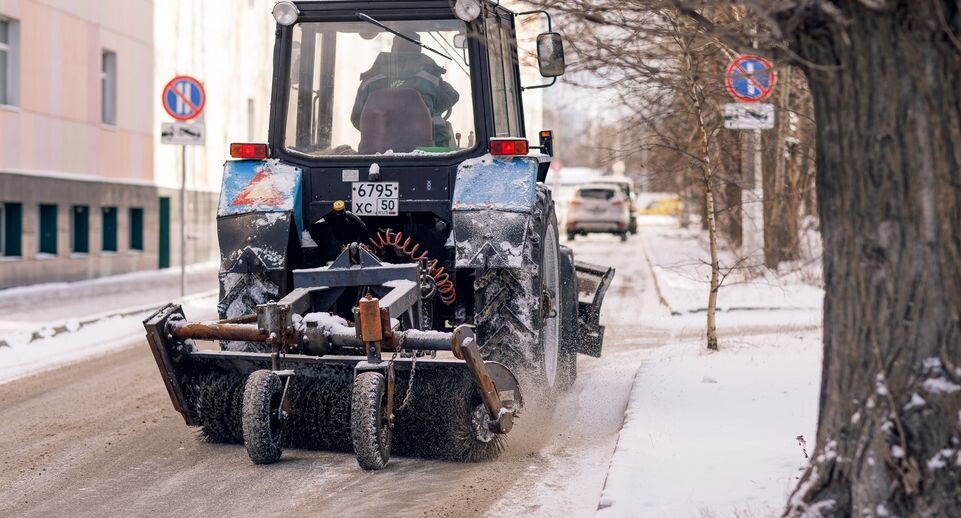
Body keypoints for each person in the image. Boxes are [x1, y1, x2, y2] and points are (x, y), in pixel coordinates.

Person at [351, 34, 460, 148]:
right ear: (419, 48)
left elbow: (357, 118)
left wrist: (387, 128)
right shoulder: (432, 77)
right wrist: (423, 114)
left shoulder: (370, 79)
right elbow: (453, 96)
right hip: (431, 151)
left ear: (393, 48)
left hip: (376, 152)